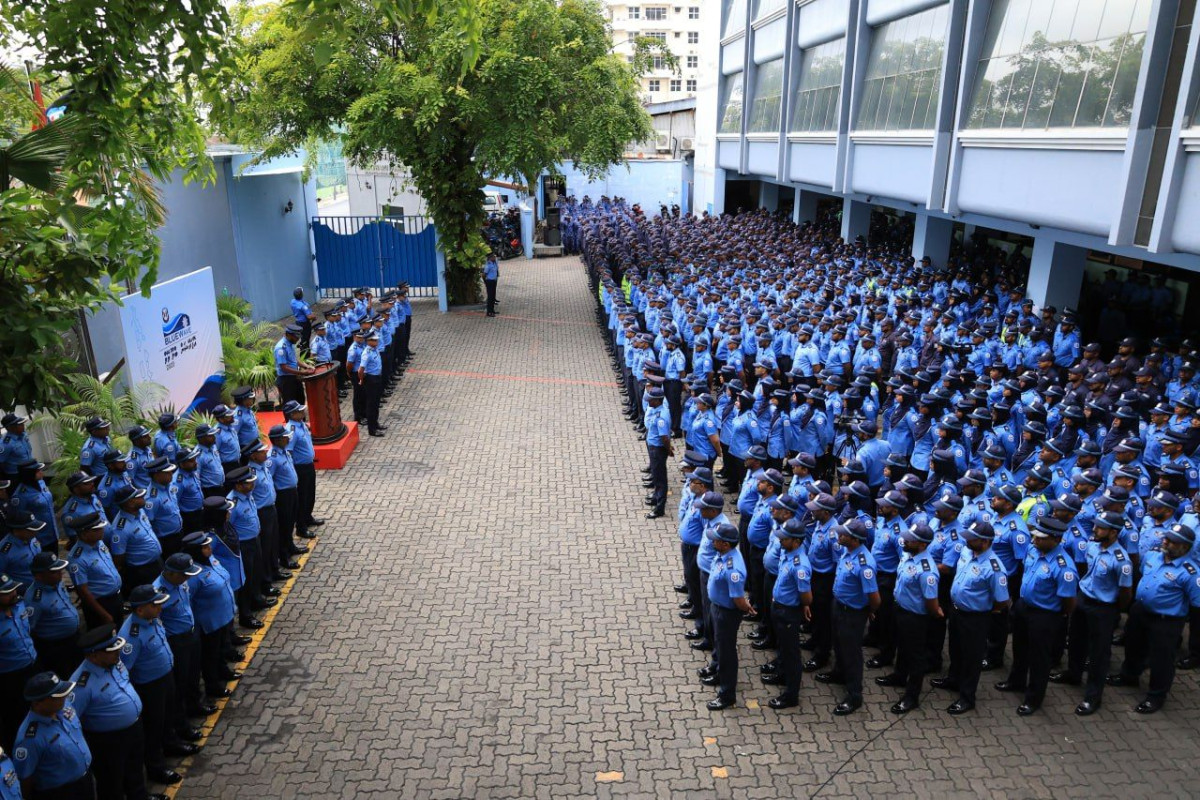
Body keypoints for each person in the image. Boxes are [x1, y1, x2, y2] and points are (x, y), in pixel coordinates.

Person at [68, 624, 167, 800]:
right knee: (112, 783)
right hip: (108, 741)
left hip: (133, 728)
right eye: (112, 650)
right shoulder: (80, 685)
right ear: (94, 654)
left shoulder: (113, 661)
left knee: (135, 771)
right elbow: (73, 720)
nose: (117, 653)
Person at [1111, 522, 1200, 713]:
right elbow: (1143, 575)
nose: (1165, 542)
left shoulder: (1191, 573)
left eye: (1172, 541)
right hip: (1141, 610)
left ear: (1185, 547)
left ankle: (1156, 695)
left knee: (1162, 659)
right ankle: (1129, 675)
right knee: (1133, 646)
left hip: (1166, 620)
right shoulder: (1153, 555)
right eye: (1166, 538)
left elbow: (1196, 603)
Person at [1052, 510, 1132, 715]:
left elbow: (1125, 593)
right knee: (1077, 640)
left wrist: (1113, 609)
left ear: (1113, 532)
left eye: (1100, 527)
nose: (1095, 529)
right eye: (1095, 525)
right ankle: (1073, 673)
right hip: (1083, 598)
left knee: (1099, 653)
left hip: (1103, 608)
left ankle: (1093, 695)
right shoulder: (1093, 546)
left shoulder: (1122, 561)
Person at [997, 515, 1077, 716]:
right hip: (1024, 606)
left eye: (1041, 538)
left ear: (1056, 539)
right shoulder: (1033, 550)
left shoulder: (1064, 566)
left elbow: (1068, 601)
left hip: (1045, 615)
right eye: (1035, 536)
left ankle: (1033, 698)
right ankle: (1016, 681)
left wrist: (1058, 617)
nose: (1034, 540)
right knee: (1019, 647)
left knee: (1039, 658)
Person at [119, 585, 197, 786]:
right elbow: (125, 670)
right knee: (153, 726)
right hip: (149, 686)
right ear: (140, 609)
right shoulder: (130, 636)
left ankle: (170, 744)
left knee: (167, 716)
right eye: (155, 605)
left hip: (165, 677)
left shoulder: (152, 619)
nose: (160, 608)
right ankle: (156, 767)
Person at [934, 519, 1009, 714]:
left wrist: (983, 610)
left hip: (975, 618)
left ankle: (967, 697)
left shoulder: (995, 568)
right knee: (956, 649)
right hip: (957, 611)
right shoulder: (967, 552)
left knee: (971, 657)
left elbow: (1002, 601)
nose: (966, 540)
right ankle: (953, 680)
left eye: (972, 538)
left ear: (984, 542)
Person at [877, 522, 942, 714]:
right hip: (900, 610)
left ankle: (911, 696)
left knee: (915, 656)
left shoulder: (927, 570)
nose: (905, 540)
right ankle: (899, 675)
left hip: (915, 617)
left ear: (922, 545)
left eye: (910, 540)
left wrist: (933, 614)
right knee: (902, 647)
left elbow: (931, 600)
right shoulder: (908, 555)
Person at [818, 518, 880, 716]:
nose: (839, 536)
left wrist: (868, 610)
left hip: (853, 612)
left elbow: (875, 597)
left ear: (854, 539)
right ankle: (839, 673)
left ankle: (854, 695)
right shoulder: (847, 551)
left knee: (852, 653)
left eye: (843, 534)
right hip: (838, 605)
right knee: (838, 643)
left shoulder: (865, 564)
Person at [13, 671, 94, 799]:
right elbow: (25, 778)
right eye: (57, 696)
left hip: (85, 782)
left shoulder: (62, 706)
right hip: (61, 793)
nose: (64, 697)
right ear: (38, 703)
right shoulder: (29, 739)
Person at [180, 531, 239, 704]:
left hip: (223, 617)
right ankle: (213, 686)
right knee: (210, 655)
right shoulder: (192, 576)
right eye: (205, 547)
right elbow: (188, 602)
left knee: (221, 648)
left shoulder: (210, 560)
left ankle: (224, 671)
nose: (209, 548)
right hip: (209, 623)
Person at [154, 554, 211, 728]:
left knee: (193, 675)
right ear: (170, 573)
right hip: (176, 641)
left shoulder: (180, 581)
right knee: (180, 682)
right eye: (184, 575)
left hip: (191, 633)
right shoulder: (158, 594)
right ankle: (181, 723)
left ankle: (195, 705)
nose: (187, 578)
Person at [699, 522, 752, 711]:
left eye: (716, 540)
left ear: (726, 544)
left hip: (726, 613)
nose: (712, 541)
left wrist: (746, 608)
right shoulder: (722, 554)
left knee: (726, 652)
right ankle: (719, 673)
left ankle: (727, 694)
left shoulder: (733, 569)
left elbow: (738, 599)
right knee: (719, 647)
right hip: (717, 608)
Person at [762, 517, 811, 710]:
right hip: (779, 607)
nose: (780, 541)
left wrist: (802, 605)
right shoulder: (788, 551)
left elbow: (806, 597)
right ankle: (782, 675)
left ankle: (791, 694)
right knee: (782, 646)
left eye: (785, 538)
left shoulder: (801, 565)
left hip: (789, 612)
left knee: (791, 653)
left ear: (797, 541)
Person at [225, 467, 273, 630]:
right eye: (248, 483)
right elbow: (228, 528)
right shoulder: (232, 504)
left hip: (254, 540)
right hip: (243, 546)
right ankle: (246, 615)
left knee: (255, 573)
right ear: (238, 486)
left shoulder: (248, 495)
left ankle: (256, 599)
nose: (252, 484)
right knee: (245, 580)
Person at [25, 552, 82, 682]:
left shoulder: (57, 583)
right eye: (54, 571)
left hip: (73, 639)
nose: (60, 573)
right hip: (56, 648)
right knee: (65, 678)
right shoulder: (34, 600)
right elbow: (29, 628)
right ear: (39, 576)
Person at [0, 574, 38, 752]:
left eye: (13, 589)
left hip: (32, 664)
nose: (14, 593)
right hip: (10, 678)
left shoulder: (19, 605)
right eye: (7, 592)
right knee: (15, 719)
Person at [66, 514, 124, 630]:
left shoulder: (99, 543)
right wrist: (104, 614)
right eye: (97, 530)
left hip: (116, 598)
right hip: (101, 604)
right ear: (84, 534)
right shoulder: (77, 559)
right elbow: (83, 592)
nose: (102, 531)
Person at [284, 401, 322, 538]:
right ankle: (301, 527)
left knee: (310, 493)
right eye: (299, 411)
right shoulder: (291, 431)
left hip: (308, 465)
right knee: (302, 497)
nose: (303, 412)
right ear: (292, 414)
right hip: (300, 468)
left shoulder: (301, 425)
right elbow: (288, 452)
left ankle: (308, 517)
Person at [643, 388, 674, 519]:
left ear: (657, 400)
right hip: (654, 447)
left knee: (660, 479)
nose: (648, 400)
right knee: (656, 476)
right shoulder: (657, 410)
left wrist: (669, 450)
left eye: (650, 398)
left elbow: (664, 438)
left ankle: (659, 508)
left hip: (658, 449)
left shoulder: (661, 416)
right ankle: (656, 497)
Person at [144, 458, 184, 557]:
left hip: (179, 533)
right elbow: (149, 524)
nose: (171, 473)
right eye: (167, 472)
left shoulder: (168, 486)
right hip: (167, 540)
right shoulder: (151, 499)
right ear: (157, 475)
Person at [273, 325, 311, 406]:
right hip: (286, 380)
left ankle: (301, 419)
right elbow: (284, 367)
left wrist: (305, 366)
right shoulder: (281, 348)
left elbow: (293, 359)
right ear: (288, 335)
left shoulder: (290, 344)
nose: (298, 339)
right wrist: (302, 373)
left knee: (300, 401)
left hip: (294, 378)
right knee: (290, 405)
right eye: (296, 337)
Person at [358, 331, 385, 437]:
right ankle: (372, 429)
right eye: (374, 340)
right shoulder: (366, 353)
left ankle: (376, 423)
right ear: (368, 341)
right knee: (371, 405)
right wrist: (362, 379)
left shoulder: (375, 349)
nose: (376, 341)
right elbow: (361, 370)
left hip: (377, 377)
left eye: (376, 340)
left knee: (376, 403)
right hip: (371, 379)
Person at [0, 413, 33, 479]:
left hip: (30, 470)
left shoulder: (23, 435)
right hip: (16, 475)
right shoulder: (5, 444)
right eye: (20, 424)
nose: (23, 425)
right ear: (10, 427)